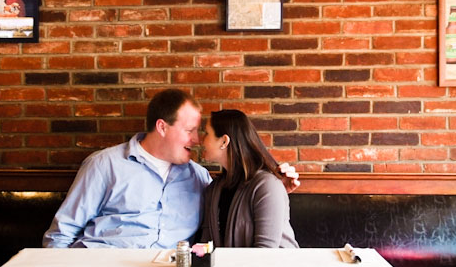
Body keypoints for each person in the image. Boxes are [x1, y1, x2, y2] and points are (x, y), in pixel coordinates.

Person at [42, 89, 300, 249]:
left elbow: (242, 206)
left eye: (200, 132)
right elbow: (60, 235)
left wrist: (275, 190)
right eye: (189, 131)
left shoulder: (200, 178)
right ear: (162, 127)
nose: (197, 140)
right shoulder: (105, 165)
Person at [199, 110, 298, 248]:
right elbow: (206, 246)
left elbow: (265, 252)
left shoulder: (267, 186)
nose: (200, 140)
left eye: (206, 134)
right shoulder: (213, 189)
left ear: (224, 141)